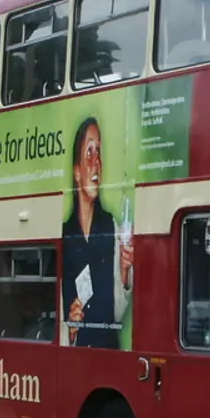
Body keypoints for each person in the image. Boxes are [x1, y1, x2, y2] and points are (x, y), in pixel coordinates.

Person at [60, 116, 134, 349]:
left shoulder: (111, 226)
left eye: (99, 152)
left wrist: (124, 271)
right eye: (89, 152)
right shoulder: (63, 236)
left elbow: (117, 314)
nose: (96, 162)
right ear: (77, 172)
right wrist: (69, 328)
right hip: (76, 358)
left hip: (107, 353)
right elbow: (51, 314)